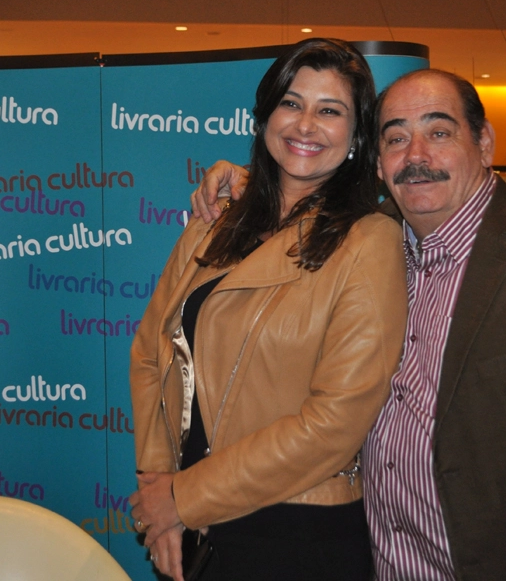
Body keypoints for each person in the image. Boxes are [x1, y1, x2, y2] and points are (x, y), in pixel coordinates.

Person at [191, 68, 506, 580]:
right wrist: (247, 179)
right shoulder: (368, 241)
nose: (416, 157)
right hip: (377, 563)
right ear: (380, 165)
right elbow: (301, 202)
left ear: (484, 142)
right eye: (396, 139)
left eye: (438, 132)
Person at [128, 38, 408, 581]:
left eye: (330, 111)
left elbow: (335, 423)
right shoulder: (217, 220)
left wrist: (183, 497)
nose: (306, 124)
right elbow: (150, 353)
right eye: (291, 102)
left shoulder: (369, 240)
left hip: (296, 531)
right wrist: (159, 491)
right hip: (192, 525)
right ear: (264, 117)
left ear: (355, 139)